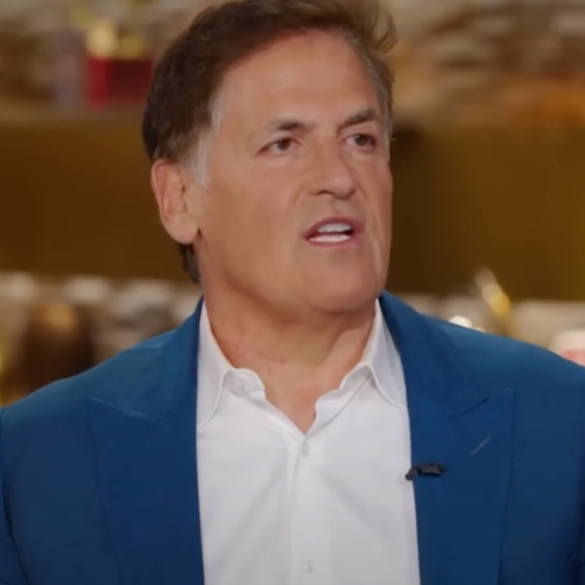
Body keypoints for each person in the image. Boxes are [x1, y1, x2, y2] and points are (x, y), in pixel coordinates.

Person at [1, 0, 585, 584]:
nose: (338, 177)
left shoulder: (562, 424)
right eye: (284, 143)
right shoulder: (35, 466)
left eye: (360, 139)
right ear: (178, 199)